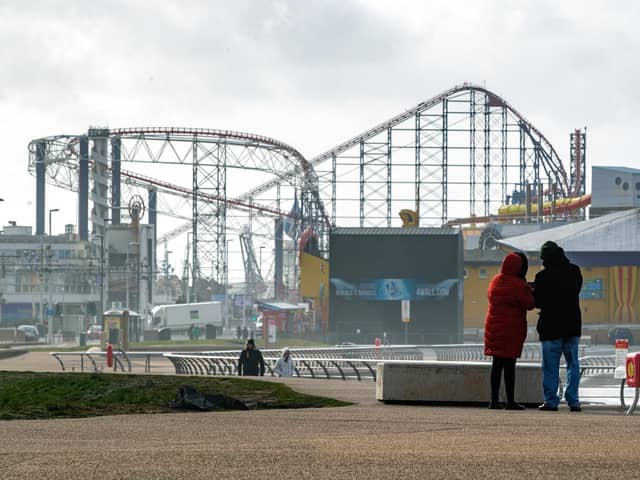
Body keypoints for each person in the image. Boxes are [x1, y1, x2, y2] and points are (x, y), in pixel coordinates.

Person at [534, 241, 583, 412]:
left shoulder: (542, 277)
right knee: (573, 364)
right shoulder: (575, 271)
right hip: (572, 326)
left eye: (543, 258)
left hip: (551, 328)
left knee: (550, 367)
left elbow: (537, 302)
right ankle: (573, 401)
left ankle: (551, 401)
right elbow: (575, 290)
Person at [484, 251, 535, 410]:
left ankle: (493, 400)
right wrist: (528, 288)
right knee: (509, 365)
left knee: (496, 364)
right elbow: (530, 303)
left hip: (493, 327)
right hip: (511, 329)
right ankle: (510, 401)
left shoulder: (495, 280)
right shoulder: (518, 284)